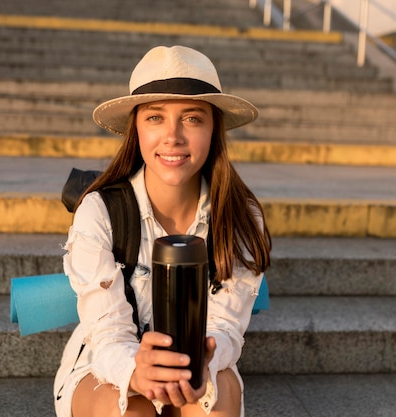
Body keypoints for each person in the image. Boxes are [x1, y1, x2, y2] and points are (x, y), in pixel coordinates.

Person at [54, 45, 272, 417]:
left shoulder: (240, 215)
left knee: (206, 409)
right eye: (155, 118)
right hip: (107, 364)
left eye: (192, 118)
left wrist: (204, 360)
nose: (172, 136)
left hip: (202, 362)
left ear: (214, 128)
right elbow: (108, 334)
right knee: (135, 413)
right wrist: (137, 372)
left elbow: (225, 327)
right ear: (135, 127)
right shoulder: (100, 210)